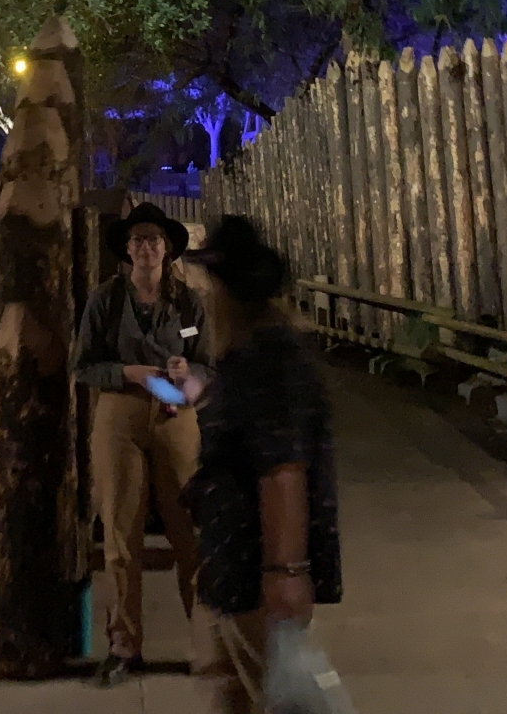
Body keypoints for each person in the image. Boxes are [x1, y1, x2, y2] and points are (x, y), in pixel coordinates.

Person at [180, 216, 341, 714]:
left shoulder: (267, 359)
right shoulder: (252, 356)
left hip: (252, 571)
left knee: (261, 692)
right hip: (234, 568)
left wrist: (285, 572)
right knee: (234, 689)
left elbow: (282, 469)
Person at [71, 203, 210, 687]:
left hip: (175, 415)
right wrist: (125, 372)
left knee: (191, 530)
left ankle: (206, 643)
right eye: (138, 240)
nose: (147, 248)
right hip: (121, 415)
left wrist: (188, 374)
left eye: (154, 240)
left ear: (167, 249)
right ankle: (124, 646)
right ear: (127, 250)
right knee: (120, 531)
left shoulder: (188, 303)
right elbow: (83, 366)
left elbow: (208, 367)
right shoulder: (106, 301)